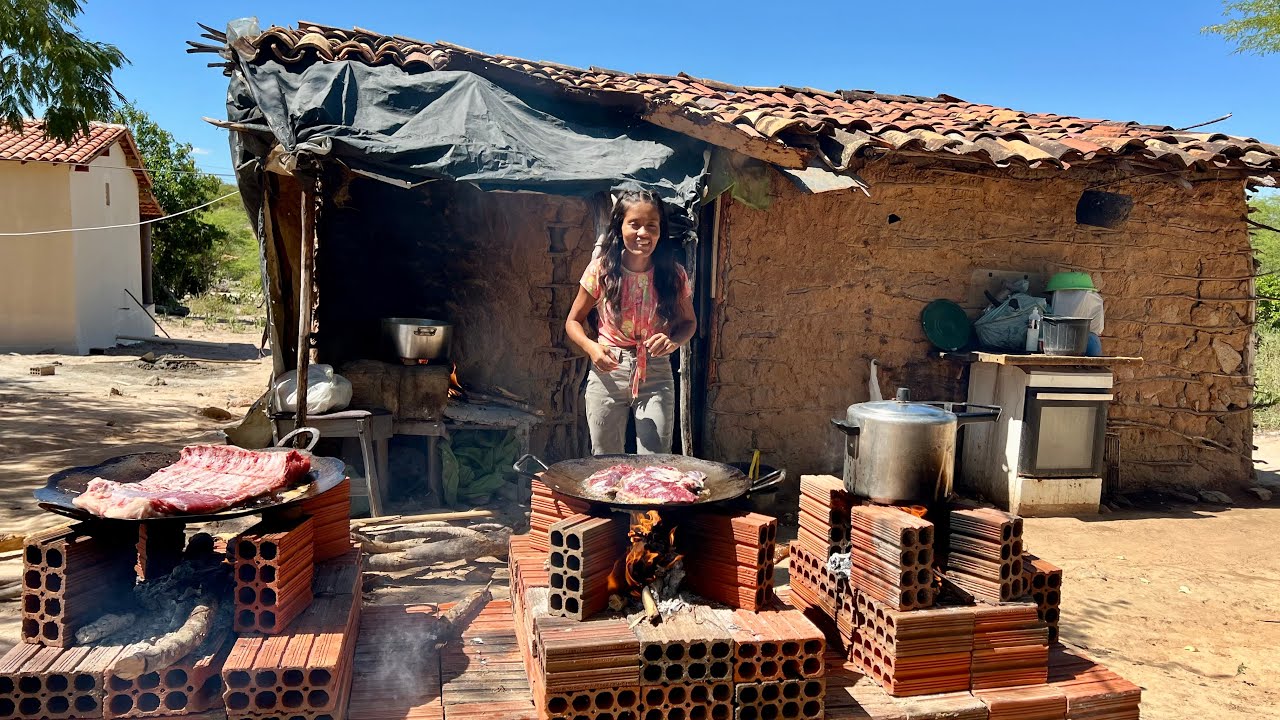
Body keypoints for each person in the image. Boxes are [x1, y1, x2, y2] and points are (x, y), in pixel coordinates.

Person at [565, 189, 696, 455]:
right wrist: (592, 349)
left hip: (656, 373)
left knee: (655, 463)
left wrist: (672, 341)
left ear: (660, 231)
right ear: (619, 226)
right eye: (634, 224)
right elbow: (572, 322)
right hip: (608, 373)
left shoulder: (673, 274)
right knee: (605, 462)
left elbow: (689, 323)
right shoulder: (600, 271)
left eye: (652, 226)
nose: (643, 233)